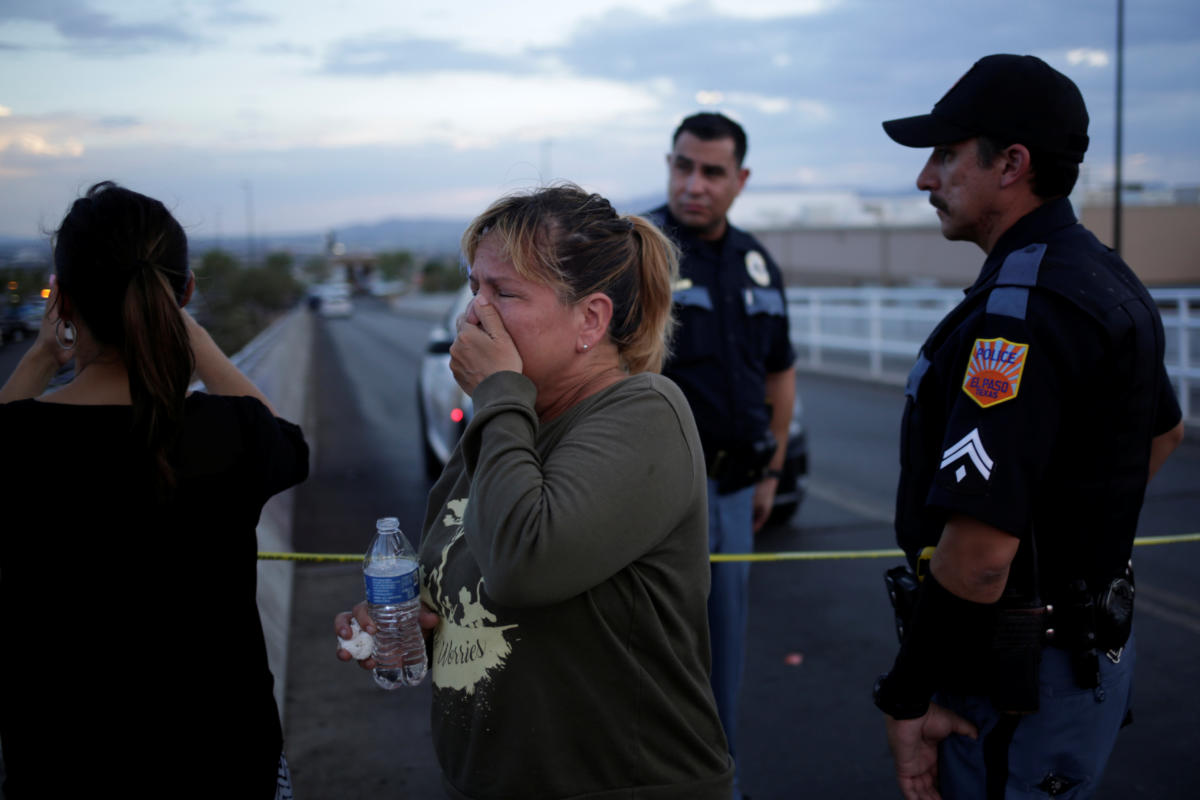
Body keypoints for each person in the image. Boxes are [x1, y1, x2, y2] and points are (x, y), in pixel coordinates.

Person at [335, 184, 733, 799]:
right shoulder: (510, 427)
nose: (474, 314)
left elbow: (526, 565)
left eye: (505, 293)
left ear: (590, 320)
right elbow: (479, 578)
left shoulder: (645, 413)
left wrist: (496, 392)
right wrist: (413, 623)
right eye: (474, 288)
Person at [872, 54, 1185, 799]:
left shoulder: (1020, 315)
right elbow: (1160, 433)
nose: (925, 179)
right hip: (1077, 656)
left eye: (946, 155)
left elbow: (979, 556)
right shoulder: (1101, 273)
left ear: (1012, 163)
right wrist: (1072, 542)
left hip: (1018, 680)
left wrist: (908, 698)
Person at [0, 182, 309, 798]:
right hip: (223, 760)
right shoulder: (229, 434)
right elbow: (285, 440)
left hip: (59, 766)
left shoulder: (19, 442)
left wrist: (37, 359)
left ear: (62, 300)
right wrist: (195, 339)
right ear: (185, 294)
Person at [646, 111, 796, 795]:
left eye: (711, 172)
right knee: (651, 653)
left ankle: (719, 784)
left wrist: (771, 472)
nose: (694, 184)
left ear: (741, 180)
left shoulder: (758, 263)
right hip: (652, 498)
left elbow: (779, 373)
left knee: (723, 653)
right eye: (683, 166)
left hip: (734, 492)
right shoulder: (634, 252)